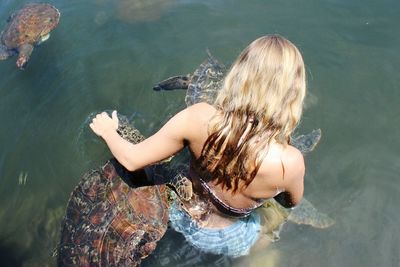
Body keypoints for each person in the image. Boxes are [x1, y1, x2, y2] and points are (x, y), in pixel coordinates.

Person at [89, 34, 306, 257]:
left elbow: (132, 160)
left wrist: (108, 131)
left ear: (239, 74)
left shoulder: (198, 117)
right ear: (293, 93)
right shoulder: (290, 161)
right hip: (235, 238)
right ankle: (257, 257)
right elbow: (290, 202)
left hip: (182, 218)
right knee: (276, 217)